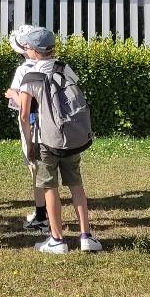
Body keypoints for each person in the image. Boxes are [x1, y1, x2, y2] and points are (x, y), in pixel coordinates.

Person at [16, 26, 102, 254]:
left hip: (47, 140)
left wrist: (29, 143)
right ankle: (86, 236)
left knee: (49, 187)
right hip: (71, 137)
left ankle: (57, 239)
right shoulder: (65, 68)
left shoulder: (30, 76)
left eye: (28, 47)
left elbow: (24, 115)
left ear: (34, 51)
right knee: (76, 185)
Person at [5, 26, 49, 233]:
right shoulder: (53, 66)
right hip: (51, 123)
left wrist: (11, 95)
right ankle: (46, 211)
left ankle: (42, 215)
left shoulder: (24, 70)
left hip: (32, 123)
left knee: (35, 168)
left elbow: (23, 105)